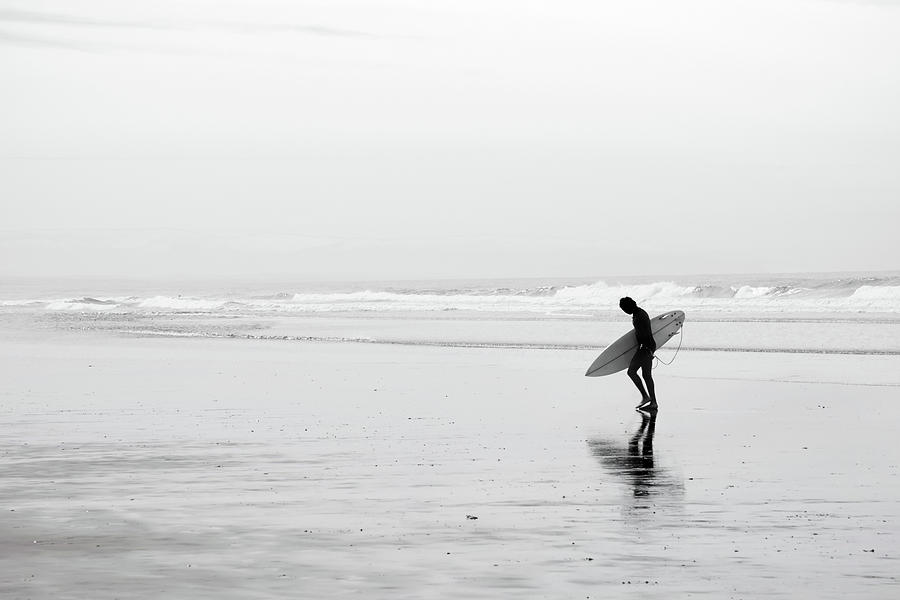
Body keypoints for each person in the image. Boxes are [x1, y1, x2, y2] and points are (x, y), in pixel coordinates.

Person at [619, 296, 657, 410]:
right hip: (649, 346)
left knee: (631, 372)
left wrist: (647, 352)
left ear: (628, 307)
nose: (625, 312)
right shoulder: (639, 313)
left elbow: (643, 336)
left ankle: (646, 397)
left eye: (624, 309)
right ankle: (653, 403)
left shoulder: (639, 317)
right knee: (646, 375)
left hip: (645, 348)